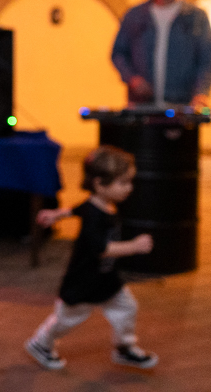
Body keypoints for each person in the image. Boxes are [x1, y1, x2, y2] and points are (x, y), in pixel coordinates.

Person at [25, 145, 158, 371]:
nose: (130, 188)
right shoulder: (94, 218)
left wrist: (57, 214)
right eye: (123, 182)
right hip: (83, 282)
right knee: (66, 320)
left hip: (106, 278)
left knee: (127, 308)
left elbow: (78, 209)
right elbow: (102, 249)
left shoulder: (99, 204)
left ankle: (124, 348)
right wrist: (134, 246)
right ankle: (41, 344)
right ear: (99, 183)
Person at [111, 0, 211, 107]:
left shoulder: (195, 16)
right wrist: (133, 79)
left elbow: (206, 60)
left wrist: (201, 93)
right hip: (142, 106)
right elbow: (118, 53)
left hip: (182, 105)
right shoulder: (135, 15)